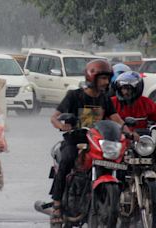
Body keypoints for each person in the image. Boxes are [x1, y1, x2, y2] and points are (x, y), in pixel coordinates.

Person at [49, 59, 137, 224]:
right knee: (67, 159)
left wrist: (128, 132)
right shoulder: (74, 96)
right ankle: (57, 204)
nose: (105, 82)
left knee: (123, 162)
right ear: (92, 78)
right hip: (75, 141)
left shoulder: (105, 99)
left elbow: (116, 119)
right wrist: (61, 125)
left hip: (97, 142)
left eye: (107, 79)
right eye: (102, 78)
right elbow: (54, 117)